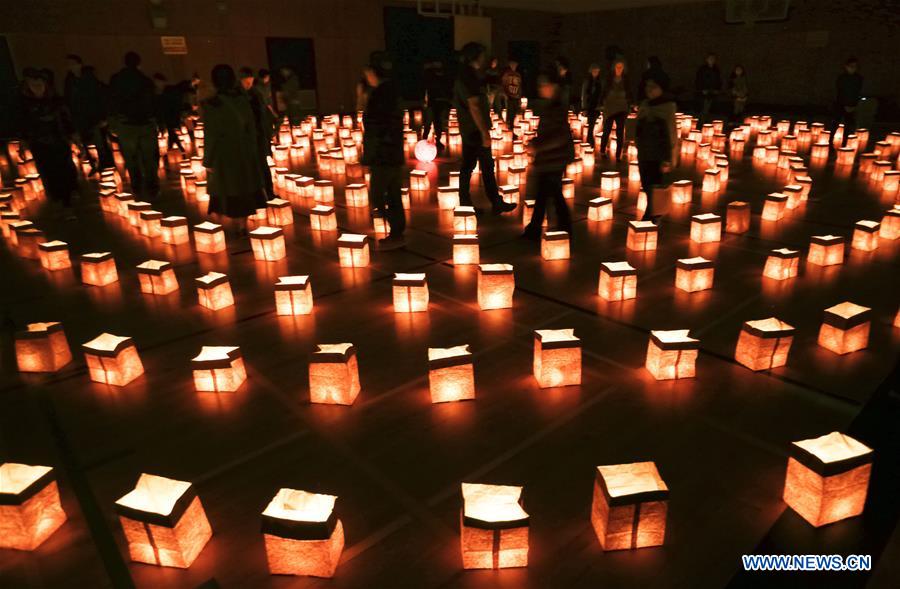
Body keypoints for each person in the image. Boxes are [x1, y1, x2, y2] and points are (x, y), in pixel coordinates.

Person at [202, 64, 267, 236]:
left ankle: (223, 227)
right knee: (243, 186)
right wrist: (252, 150)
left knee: (224, 189)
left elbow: (211, 135)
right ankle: (242, 225)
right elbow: (252, 128)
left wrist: (207, 160)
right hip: (244, 150)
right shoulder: (243, 99)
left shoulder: (212, 104)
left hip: (224, 154)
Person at [454, 42, 516, 215]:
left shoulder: (470, 74)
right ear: (475, 56)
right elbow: (473, 105)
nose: (484, 58)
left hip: (472, 128)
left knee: (483, 166)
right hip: (474, 129)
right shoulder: (468, 76)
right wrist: (483, 132)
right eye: (482, 54)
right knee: (472, 166)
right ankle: (472, 204)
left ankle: (492, 202)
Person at [18, 69, 79, 219]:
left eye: (40, 84)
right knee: (48, 172)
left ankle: (67, 201)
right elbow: (22, 124)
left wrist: (73, 137)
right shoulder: (25, 105)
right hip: (39, 144)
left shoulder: (56, 102)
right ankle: (57, 198)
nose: (37, 88)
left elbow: (66, 120)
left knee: (64, 170)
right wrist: (23, 141)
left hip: (58, 141)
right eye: (33, 85)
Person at [522, 68, 574, 241]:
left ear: (554, 86)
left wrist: (537, 146)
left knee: (550, 194)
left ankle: (550, 228)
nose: (540, 88)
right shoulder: (551, 106)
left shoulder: (557, 108)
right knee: (545, 194)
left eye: (544, 84)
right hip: (550, 158)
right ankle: (538, 229)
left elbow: (560, 136)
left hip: (554, 159)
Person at [362, 52, 406, 250]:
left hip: (383, 154)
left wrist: (371, 153)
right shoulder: (391, 91)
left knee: (378, 195)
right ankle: (397, 233)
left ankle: (396, 232)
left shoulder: (381, 94)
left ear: (374, 72)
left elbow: (378, 127)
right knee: (393, 194)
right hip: (392, 152)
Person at [109, 51, 160, 199]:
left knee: (131, 159)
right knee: (149, 158)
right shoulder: (145, 80)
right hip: (145, 124)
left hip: (126, 124)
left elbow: (112, 101)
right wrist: (157, 121)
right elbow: (153, 102)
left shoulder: (116, 80)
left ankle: (136, 186)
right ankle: (152, 187)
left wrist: (114, 123)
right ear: (139, 63)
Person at [635, 75, 676, 223]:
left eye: (653, 87)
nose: (649, 90)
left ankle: (651, 217)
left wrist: (667, 159)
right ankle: (653, 214)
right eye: (647, 86)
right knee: (646, 186)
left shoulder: (667, 107)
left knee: (655, 187)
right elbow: (637, 129)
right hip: (644, 152)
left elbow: (669, 135)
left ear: (661, 89)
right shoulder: (645, 105)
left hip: (658, 155)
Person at [63, 55, 112, 174]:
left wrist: (103, 116)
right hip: (80, 118)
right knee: (86, 144)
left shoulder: (90, 79)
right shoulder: (69, 81)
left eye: (73, 63)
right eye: (69, 64)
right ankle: (93, 164)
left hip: (94, 117)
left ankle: (104, 166)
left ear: (80, 64)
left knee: (99, 143)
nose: (71, 67)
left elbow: (99, 98)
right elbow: (69, 101)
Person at [239, 67, 274, 199]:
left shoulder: (256, 94)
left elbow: (263, 116)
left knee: (262, 166)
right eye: (246, 82)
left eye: (250, 82)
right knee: (254, 167)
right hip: (248, 139)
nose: (248, 85)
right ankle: (258, 194)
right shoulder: (240, 97)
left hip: (259, 137)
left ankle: (268, 193)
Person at [599, 59, 632, 161]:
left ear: (623, 68)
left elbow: (629, 92)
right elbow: (604, 91)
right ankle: (602, 151)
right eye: (617, 66)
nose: (619, 69)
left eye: (621, 67)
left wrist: (630, 105)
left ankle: (618, 155)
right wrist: (601, 103)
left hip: (621, 107)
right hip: (610, 107)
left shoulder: (626, 79)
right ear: (614, 67)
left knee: (620, 132)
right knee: (607, 130)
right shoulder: (609, 79)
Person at [422, 60, 451, 154]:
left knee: (438, 123)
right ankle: (424, 141)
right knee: (429, 122)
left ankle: (437, 140)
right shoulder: (431, 76)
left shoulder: (444, 77)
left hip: (441, 102)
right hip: (433, 102)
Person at [153, 73, 186, 154]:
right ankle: (176, 149)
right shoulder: (154, 94)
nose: (160, 84)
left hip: (167, 118)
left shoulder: (168, 93)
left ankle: (174, 150)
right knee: (171, 135)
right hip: (161, 118)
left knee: (171, 134)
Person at [833, 57, 863, 147]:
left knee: (848, 126)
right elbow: (839, 92)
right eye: (851, 66)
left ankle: (844, 144)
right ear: (846, 66)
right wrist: (843, 104)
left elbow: (858, 92)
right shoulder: (842, 78)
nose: (853, 68)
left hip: (852, 105)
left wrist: (854, 105)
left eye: (855, 66)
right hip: (840, 104)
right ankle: (830, 143)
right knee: (835, 124)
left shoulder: (859, 78)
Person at [253, 68, 278, 146]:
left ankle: (272, 142)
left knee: (269, 127)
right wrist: (273, 112)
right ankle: (272, 143)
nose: (268, 79)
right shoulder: (260, 88)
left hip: (263, 110)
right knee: (268, 127)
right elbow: (266, 102)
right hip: (264, 111)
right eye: (268, 77)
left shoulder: (262, 86)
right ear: (265, 77)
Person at [695, 52, 721, 122]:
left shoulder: (716, 69)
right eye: (710, 58)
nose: (711, 60)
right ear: (707, 59)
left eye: (713, 59)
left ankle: (708, 122)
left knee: (712, 108)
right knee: (704, 107)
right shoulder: (702, 69)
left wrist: (717, 89)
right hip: (704, 92)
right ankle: (702, 121)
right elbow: (699, 79)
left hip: (713, 91)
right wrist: (702, 89)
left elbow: (718, 80)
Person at [580, 63, 602, 147]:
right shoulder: (587, 81)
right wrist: (584, 107)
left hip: (596, 107)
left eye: (597, 71)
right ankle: (590, 143)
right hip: (589, 107)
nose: (595, 73)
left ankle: (590, 143)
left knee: (592, 126)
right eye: (594, 71)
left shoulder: (599, 82)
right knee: (591, 126)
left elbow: (600, 94)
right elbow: (584, 94)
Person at [500, 58, 523, 133]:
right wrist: (505, 93)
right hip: (509, 96)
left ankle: (514, 128)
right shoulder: (506, 75)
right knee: (509, 113)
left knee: (516, 113)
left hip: (515, 96)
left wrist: (519, 95)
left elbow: (519, 86)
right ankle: (508, 128)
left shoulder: (518, 75)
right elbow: (504, 84)